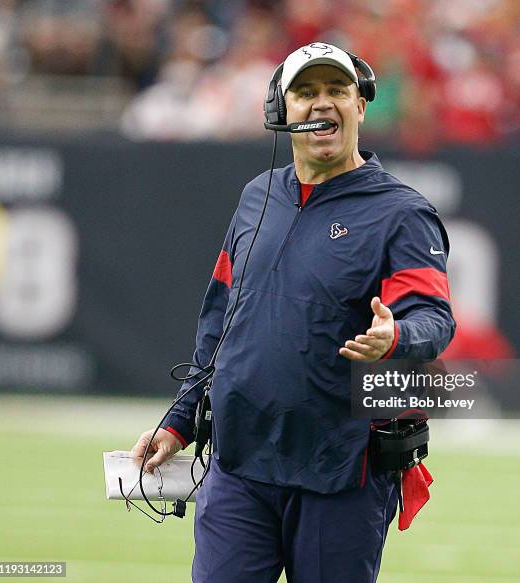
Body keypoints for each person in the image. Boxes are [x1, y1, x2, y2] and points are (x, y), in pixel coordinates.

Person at [132, 42, 455, 583]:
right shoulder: (257, 196)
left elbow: (433, 317)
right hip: (240, 461)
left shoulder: (402, 213)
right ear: (281, 112)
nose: (321, 104)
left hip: (340, 467)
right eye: (305, 93)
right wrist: (180, 421)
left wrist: (395, 334)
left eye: (336, 91)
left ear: (361, 106)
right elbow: (219, 324)